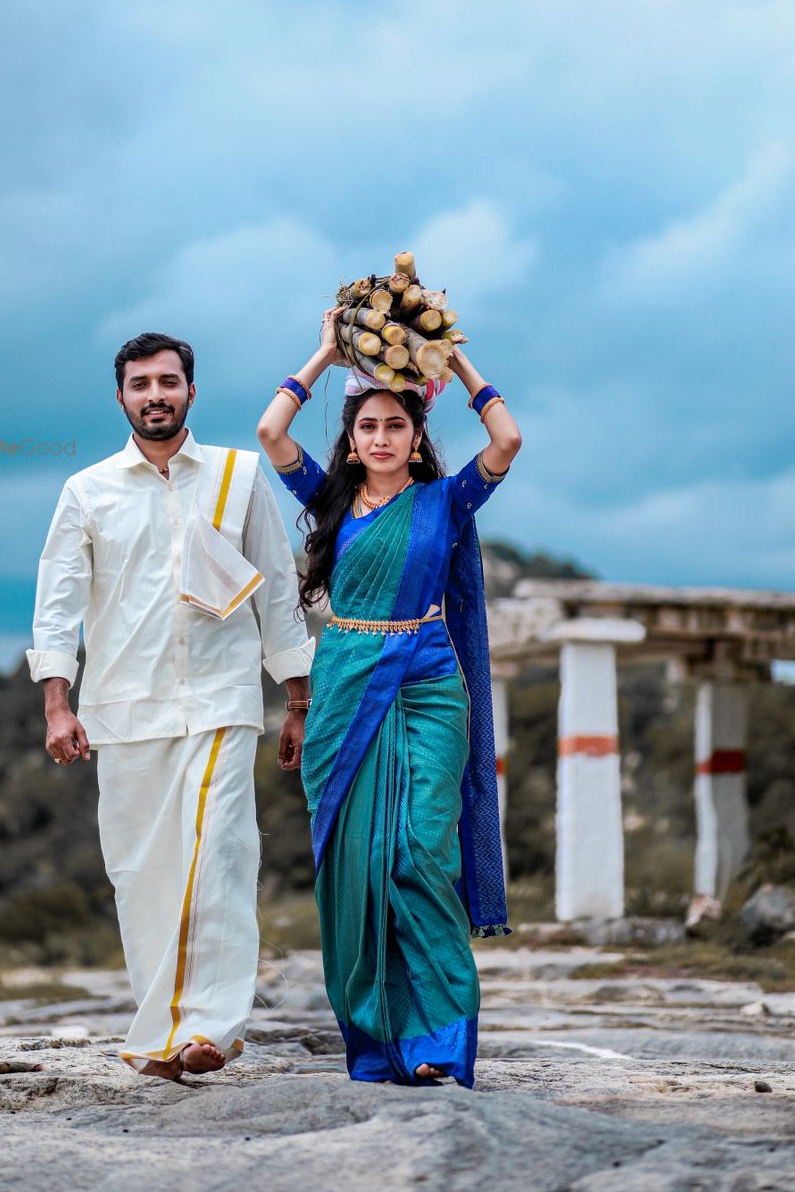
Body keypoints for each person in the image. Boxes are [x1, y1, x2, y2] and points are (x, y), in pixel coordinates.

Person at [26, 332, 314, 1080]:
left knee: (220, 852)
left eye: (168, 381)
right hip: (124, 706)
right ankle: (159, 1035)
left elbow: (278, 589)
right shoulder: (86, 492)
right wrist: (59, 705)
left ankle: (213, 1029)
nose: (155, 394)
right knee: (142, 870)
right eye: (140, 384)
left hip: (221, 700)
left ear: (192, 390)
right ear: (120, 397)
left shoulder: (238, 477)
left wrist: (297, 697)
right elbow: (57, 606)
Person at [257, 307, 521, 1087]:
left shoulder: (446, 502)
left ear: (416, 437)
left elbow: (506, 442)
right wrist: (323, 353)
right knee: (358, 866)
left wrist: (458, 363)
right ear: (350, 438)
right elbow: (272, 432)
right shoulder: (330, 498)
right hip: (344, 689)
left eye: (394, 426)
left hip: (433, 688)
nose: (379, 438)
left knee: (415, 854)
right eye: (367, 425)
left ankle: (438, 1045)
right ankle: (378, 1042)